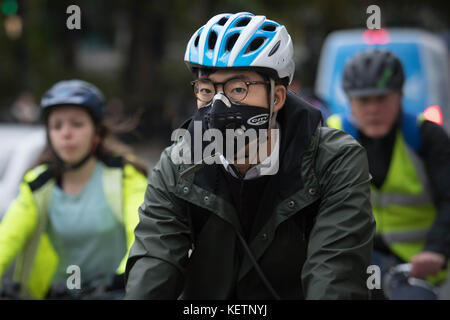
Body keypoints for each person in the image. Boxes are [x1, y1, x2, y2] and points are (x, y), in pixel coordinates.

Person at [125, 12, 375, 300]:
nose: (218, 106)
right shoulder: (178, 164)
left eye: (238, 89)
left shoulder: (335, 161)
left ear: (277, 98)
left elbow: (335, 273)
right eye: (206, 90)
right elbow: (156, 262)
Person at [0, 80, 148, 299]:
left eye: (77, 124)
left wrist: (122, 279)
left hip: (116, 293)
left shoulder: (123, 175)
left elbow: (142, 235)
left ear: (96, 130)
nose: (66, 134)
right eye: (57, 126)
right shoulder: (38, 184)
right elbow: (7, 238)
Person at [327, 49, 450, 299]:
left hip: (415, 267)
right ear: (349, 101)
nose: (373, 109)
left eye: (382, 98)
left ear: (400, 96)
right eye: (363, 101)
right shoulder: (330, 137)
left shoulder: (426, 136)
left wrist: (437, 249)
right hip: (353, 261)